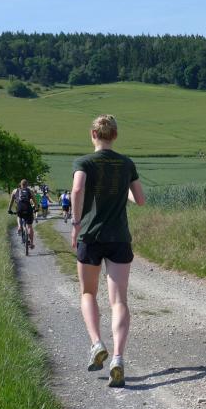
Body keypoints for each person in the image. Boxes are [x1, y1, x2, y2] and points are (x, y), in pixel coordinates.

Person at [70, 114, 145, 388]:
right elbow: (140, 199)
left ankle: (97, 343)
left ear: (93, 134)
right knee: (119, 301)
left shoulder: (84, 162)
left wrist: (76, 224)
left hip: (91, 236)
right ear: (115, 135)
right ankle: (117, 359)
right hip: (119, 238)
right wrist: (123, 191)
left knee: (88, 293)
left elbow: (77, 189)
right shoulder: (127, 164)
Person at [7, 179, 39, 249]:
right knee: (30, 226)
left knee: (18, 216)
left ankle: (19, 226)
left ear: (20, 184)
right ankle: (31, 244)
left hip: (20, 208)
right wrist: (36, 208)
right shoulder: (29, 191)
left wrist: (9, 209)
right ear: (27, 185)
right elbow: (35, 201)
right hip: (28, 208)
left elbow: (11, 201)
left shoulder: (15, 191)